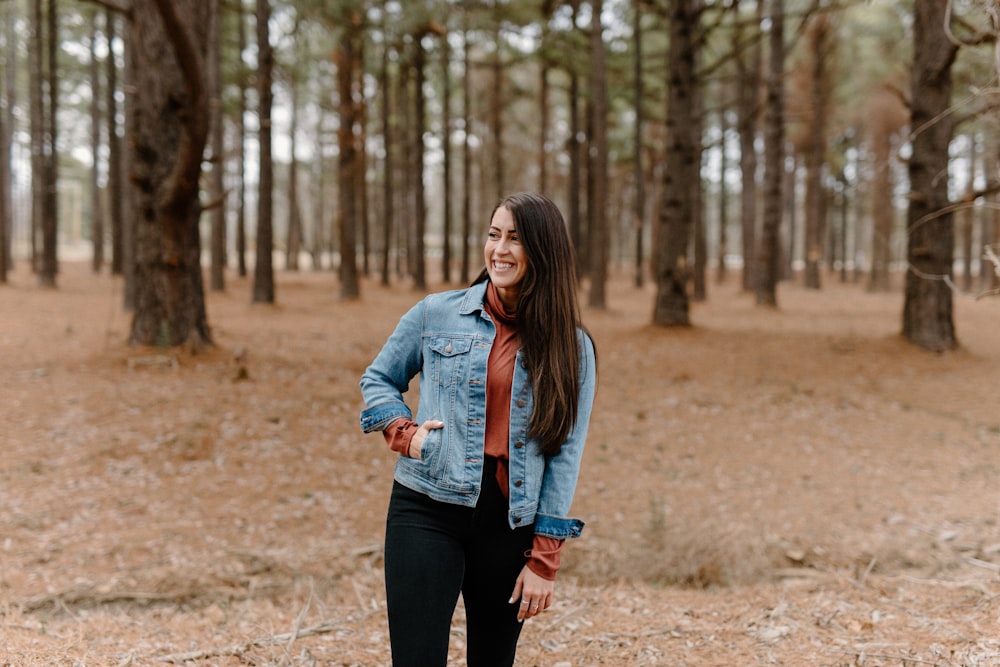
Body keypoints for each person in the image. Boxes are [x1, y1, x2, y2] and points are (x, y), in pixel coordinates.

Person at [359, 192, 597, 667]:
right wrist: (405, 433)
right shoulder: (435, 314)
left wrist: (544, 560)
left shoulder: (572, 347)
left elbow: (564, 453)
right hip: (426, 508)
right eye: (494, 235)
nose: (500, 250)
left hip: (510, 524)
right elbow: (378, 379)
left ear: (543, 251)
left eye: (515, 239)